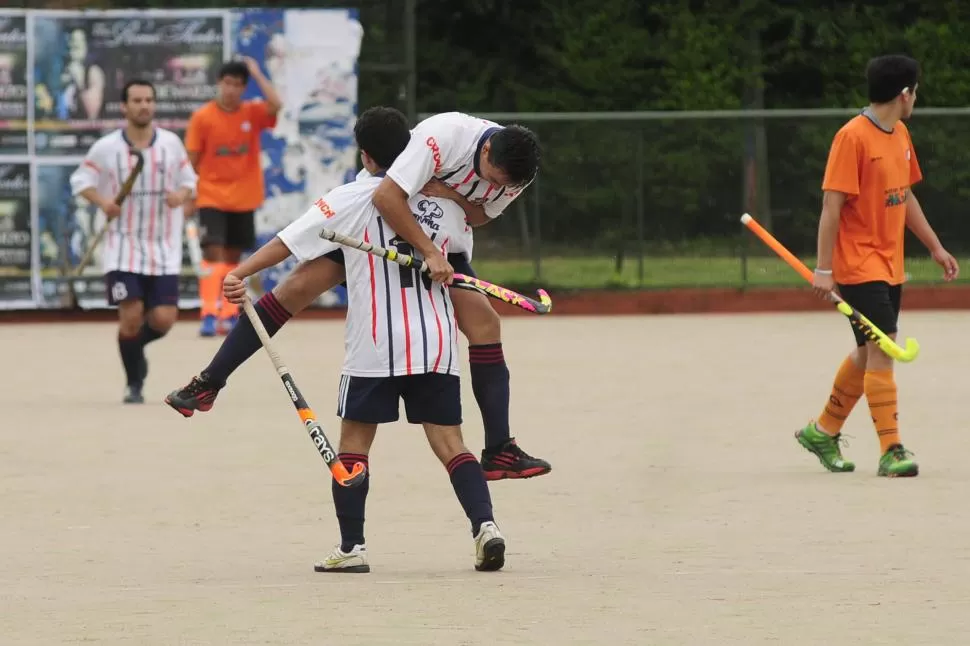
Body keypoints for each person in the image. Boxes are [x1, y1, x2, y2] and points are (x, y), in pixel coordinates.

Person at [166, 111, 551, 482]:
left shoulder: (518, 173)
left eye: (505, 185)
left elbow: (481, 216)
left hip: (439, 238)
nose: (498, 189)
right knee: (294, 290)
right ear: (484, 153)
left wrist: (448, 195)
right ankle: (210, 381)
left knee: (485, 324)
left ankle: (500, 446)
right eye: (493, 180)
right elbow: (386, 195)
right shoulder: (443, 135)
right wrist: (432, 247)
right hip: (385, 224)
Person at [225, 106, 506, 572]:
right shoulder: (447, 206)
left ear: (366, 155)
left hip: (373, 346)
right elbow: (458, 259)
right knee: (451, 444)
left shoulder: (350, 198)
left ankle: (352, 547)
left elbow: (289, 244)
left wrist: (241, 273)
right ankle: (486, 527)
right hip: (434, 342)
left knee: (353, 445)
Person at [795, 54, 959, 477]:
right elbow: (831, 208)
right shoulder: (852, 137)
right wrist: (824, 268)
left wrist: (935, 247)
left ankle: (823, 430)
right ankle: (892, 450)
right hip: (858, 266)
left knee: (868, 352)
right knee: (885, 347)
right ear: (904, 94)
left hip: (890, 264)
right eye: (916, 92)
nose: (915, 99)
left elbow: (904, 197)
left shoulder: (900, 134)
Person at [69, 79, 197, 403]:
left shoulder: (170, 144)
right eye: (137, 100)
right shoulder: (107, 147)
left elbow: (189, 181)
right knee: (130, 315)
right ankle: (134, 383)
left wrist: (179, 195)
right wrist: (103, 203)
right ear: (124, 107)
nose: (144, 106)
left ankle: (133, 348)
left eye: (149, 100)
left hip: (163, 245)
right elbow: (80, 180)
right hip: (122, 246)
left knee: (163, 320)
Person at [184, 57, 281, 336]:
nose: (231, 89)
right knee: (213, 253)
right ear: (219, 84)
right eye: (227, 83)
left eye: (238, 84)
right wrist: (190, 195)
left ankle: (227, 315)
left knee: (234, 258)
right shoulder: (203, 117)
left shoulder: (252, 113)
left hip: (244, 198)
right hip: (211, 196)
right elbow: (191, 159)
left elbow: (277, 105)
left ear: (243, 87)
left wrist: (256, 72)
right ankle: (208, 314)